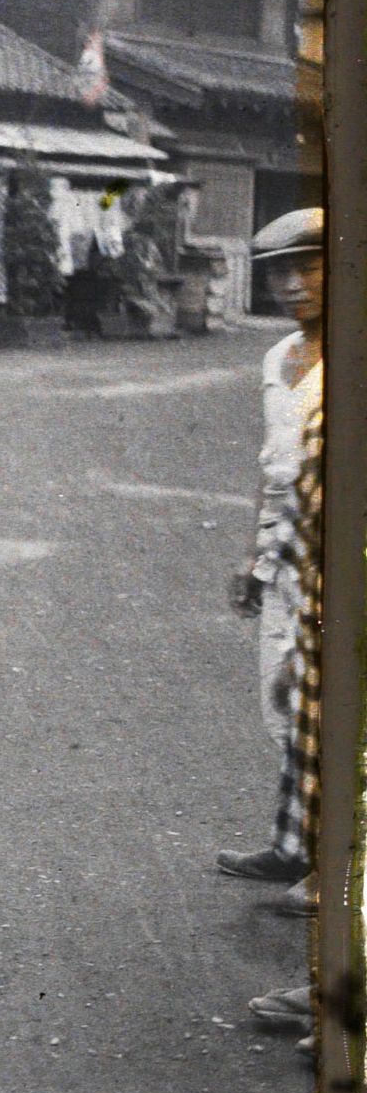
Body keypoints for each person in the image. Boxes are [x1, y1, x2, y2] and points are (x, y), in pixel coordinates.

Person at [218, 206, 323, 903]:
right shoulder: (275, 357)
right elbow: (273, 463)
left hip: (330, 552)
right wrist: (255, 559)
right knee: (284, 704)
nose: (291, 283)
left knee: (330, 708)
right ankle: (292, 844)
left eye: (305, 266)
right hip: (283, 551)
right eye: (279, 271)